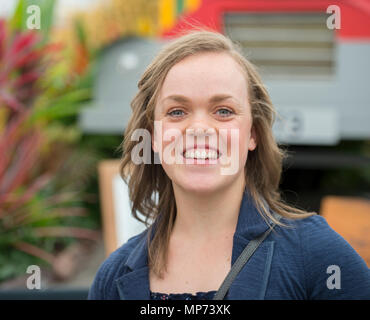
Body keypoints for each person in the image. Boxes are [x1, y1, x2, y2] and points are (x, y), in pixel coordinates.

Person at [87, 30, 370, 300]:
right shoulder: (111, 278)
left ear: (252, 133)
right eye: (176, 111)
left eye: (223, 111)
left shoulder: (316, 254)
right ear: (154, 137)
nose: (199, 128)